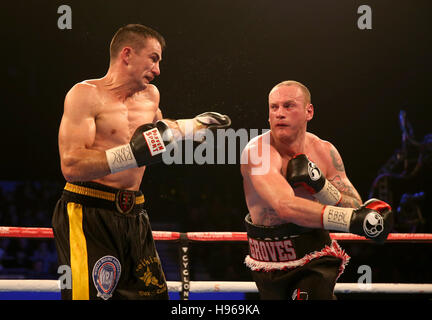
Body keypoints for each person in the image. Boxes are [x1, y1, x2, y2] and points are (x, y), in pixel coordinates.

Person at [52, 24, 231, 300]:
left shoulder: (151, 96)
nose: (158, 69)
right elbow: (72, 165)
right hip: (88, 212)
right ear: (127, 54)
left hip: (134, 213)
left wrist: (194, 125)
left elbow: (159, 133)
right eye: (154, 58)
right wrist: (131, 155)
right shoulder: (85, 95)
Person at [240, 80, 393, 300]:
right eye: (274, 107)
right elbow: (285, 206)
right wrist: (350, 220)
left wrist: (321, 187)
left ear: (308, 111)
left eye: (288, 105)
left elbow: (354, 204)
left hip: (314, 253)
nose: (279, 113)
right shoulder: (258, 152)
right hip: (268, 257)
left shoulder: (324, 151)